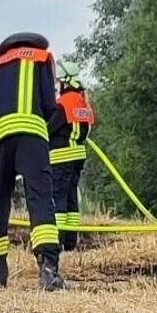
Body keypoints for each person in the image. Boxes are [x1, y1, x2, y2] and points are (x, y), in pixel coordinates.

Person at [0, 32, 64, 291]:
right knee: (39, 198)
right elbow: (49, 104)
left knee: (0, 203)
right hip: (30, 135)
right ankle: (48, 270)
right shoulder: (41, 57)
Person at [49, 61, 94, 252]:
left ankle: (57, 242)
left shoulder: (63, 104)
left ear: (65, 82)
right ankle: (70, 243)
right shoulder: (83, 102)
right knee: (71, 199)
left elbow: (49, 129)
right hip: (77, 158)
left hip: (61, 157)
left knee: (57, 198)